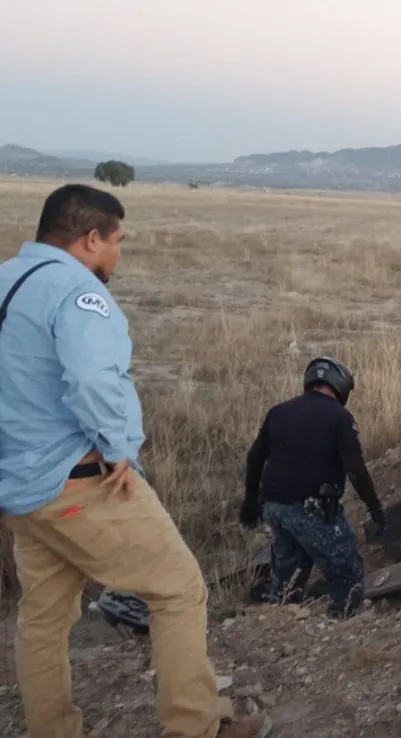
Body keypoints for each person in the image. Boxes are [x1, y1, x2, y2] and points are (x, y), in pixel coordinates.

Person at [0, 184, 271, 738]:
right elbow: (92, 378)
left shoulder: (6, 279)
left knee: (44, 620)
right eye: (117, 241)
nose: (120, 254)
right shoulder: (77, 292)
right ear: (90, 237)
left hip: (20, 488)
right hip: (80, 481)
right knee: (177, 588)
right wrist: (118, 447)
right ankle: (195, 728)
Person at [240, 357, 386, 619]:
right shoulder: (340, 417)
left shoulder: (279, 412)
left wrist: (250, 499)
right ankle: (343, 628)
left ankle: (282, 627)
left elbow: (254, 458)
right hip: (313, 509)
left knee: (288, 577)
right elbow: (355, 469)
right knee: (348, 575)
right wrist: (375, 508)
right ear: (340, 386)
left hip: (274, 508)